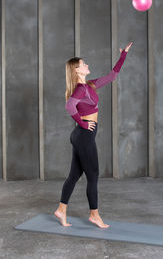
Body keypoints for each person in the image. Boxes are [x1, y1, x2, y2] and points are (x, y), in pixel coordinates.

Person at [54, 42, 133, 228]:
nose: (87, 65)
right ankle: (94, 215)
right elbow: (69, 106)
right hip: (84, 136)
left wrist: (123, 56)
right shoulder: (80, 89)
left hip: (80, 136)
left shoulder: (90, 85)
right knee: (93, 175)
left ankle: (61, 210)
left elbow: (112, 76)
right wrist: (82, 123)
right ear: (76, 70)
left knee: (74, 175)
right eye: (83, 64)